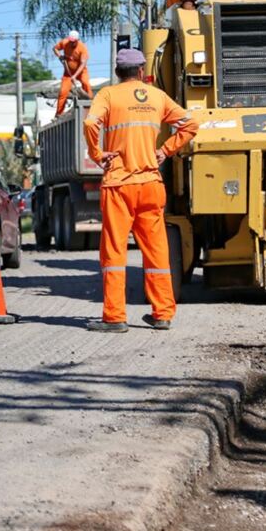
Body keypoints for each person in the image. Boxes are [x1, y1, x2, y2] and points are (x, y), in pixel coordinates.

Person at [82, 48, 198, 332]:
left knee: (114, 252)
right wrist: (166, 150)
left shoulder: (108, 95)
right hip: (150, 184)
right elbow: (191, 124)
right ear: (143, 71)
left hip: (119, 185)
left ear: (117, 72)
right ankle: (162, 314)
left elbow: (90, 122)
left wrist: (97, 154)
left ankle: (115, 317)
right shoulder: (157, 96)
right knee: (156, 251)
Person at [53, 30, 91, 116]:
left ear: (77, 40)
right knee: (63, 92)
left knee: (86, 84)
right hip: (68, 73)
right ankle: (59, 114)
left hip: (81, 72)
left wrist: (75, 76)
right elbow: (55, 48)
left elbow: (82, 64)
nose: (71, 43)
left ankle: (91, 105)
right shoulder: (65, 43)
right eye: (70, 41)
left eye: (73, 42)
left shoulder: (82, 48)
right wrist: (60, 56)